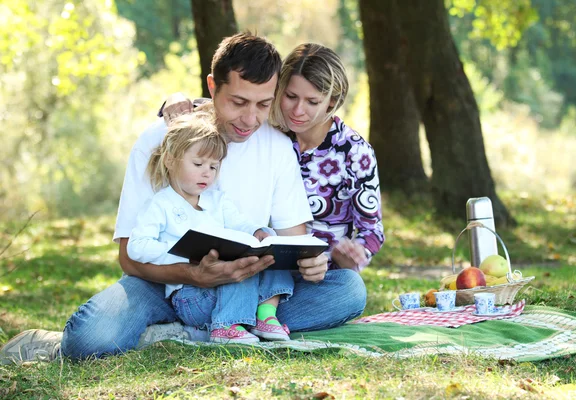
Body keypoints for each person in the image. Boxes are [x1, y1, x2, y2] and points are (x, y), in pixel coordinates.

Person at [0, 33, 366, 364]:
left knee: (347, 289)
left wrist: (308, 263)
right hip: (163, 285)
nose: (250, 119)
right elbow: (129, 256)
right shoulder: (160, 140)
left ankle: (181, 335)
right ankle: (212, 331)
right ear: (211, 86)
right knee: (89, 340)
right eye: (238, 101)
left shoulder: (277, 146)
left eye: (262, 104)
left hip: (244, 287)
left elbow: (292, 242)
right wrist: (194, 274)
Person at [163, 43, 385, 272]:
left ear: (332, 101)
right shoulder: (265, 128)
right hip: (265, 263)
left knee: (350, 288)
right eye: (290, 96)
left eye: (312, 102)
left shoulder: (353, 152)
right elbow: (223, 104)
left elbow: (372, 230)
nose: (297, 110)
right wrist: (175, 100)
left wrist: (354, 255)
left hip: (319, 271)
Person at [128, 107, 292, 343]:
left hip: (221, 290)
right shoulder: (161, 204)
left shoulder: (217, 201)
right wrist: (185, 253)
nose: (207, 173)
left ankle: (266, 316)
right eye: (198, 164)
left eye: (213, 167)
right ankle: (225, 326)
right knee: (235, 269)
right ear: (170, 161)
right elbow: (137, 247)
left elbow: (240, 224)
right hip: (191, 296)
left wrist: (259, 233)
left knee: (272, 256)